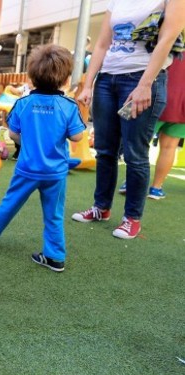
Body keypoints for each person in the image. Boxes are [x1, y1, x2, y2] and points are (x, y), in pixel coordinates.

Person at [72, 0, 185, 239]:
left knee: (135, 153)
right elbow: (102, 44)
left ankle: (132, 218)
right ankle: (101, 208)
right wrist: (88, 83)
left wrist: (145, 85)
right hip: (107, 79)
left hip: (141, 80)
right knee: (104, 151)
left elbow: (166, 39)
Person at [0, 44, 87, 272]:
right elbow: (77, 137)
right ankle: (55, 256)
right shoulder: (68, 106)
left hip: (27, 168)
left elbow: (14, 133)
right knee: (54, 214)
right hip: (55, 173)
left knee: (11, 202)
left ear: (32, 76)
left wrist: (27, 142)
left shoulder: (23, 104)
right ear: (65, 79)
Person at [145, 56, 185, 199]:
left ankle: (131, 182)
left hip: (159, 96)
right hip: (182, 105)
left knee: (142, 142)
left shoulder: (170, 43)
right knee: (169, 147)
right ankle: (156, 188)